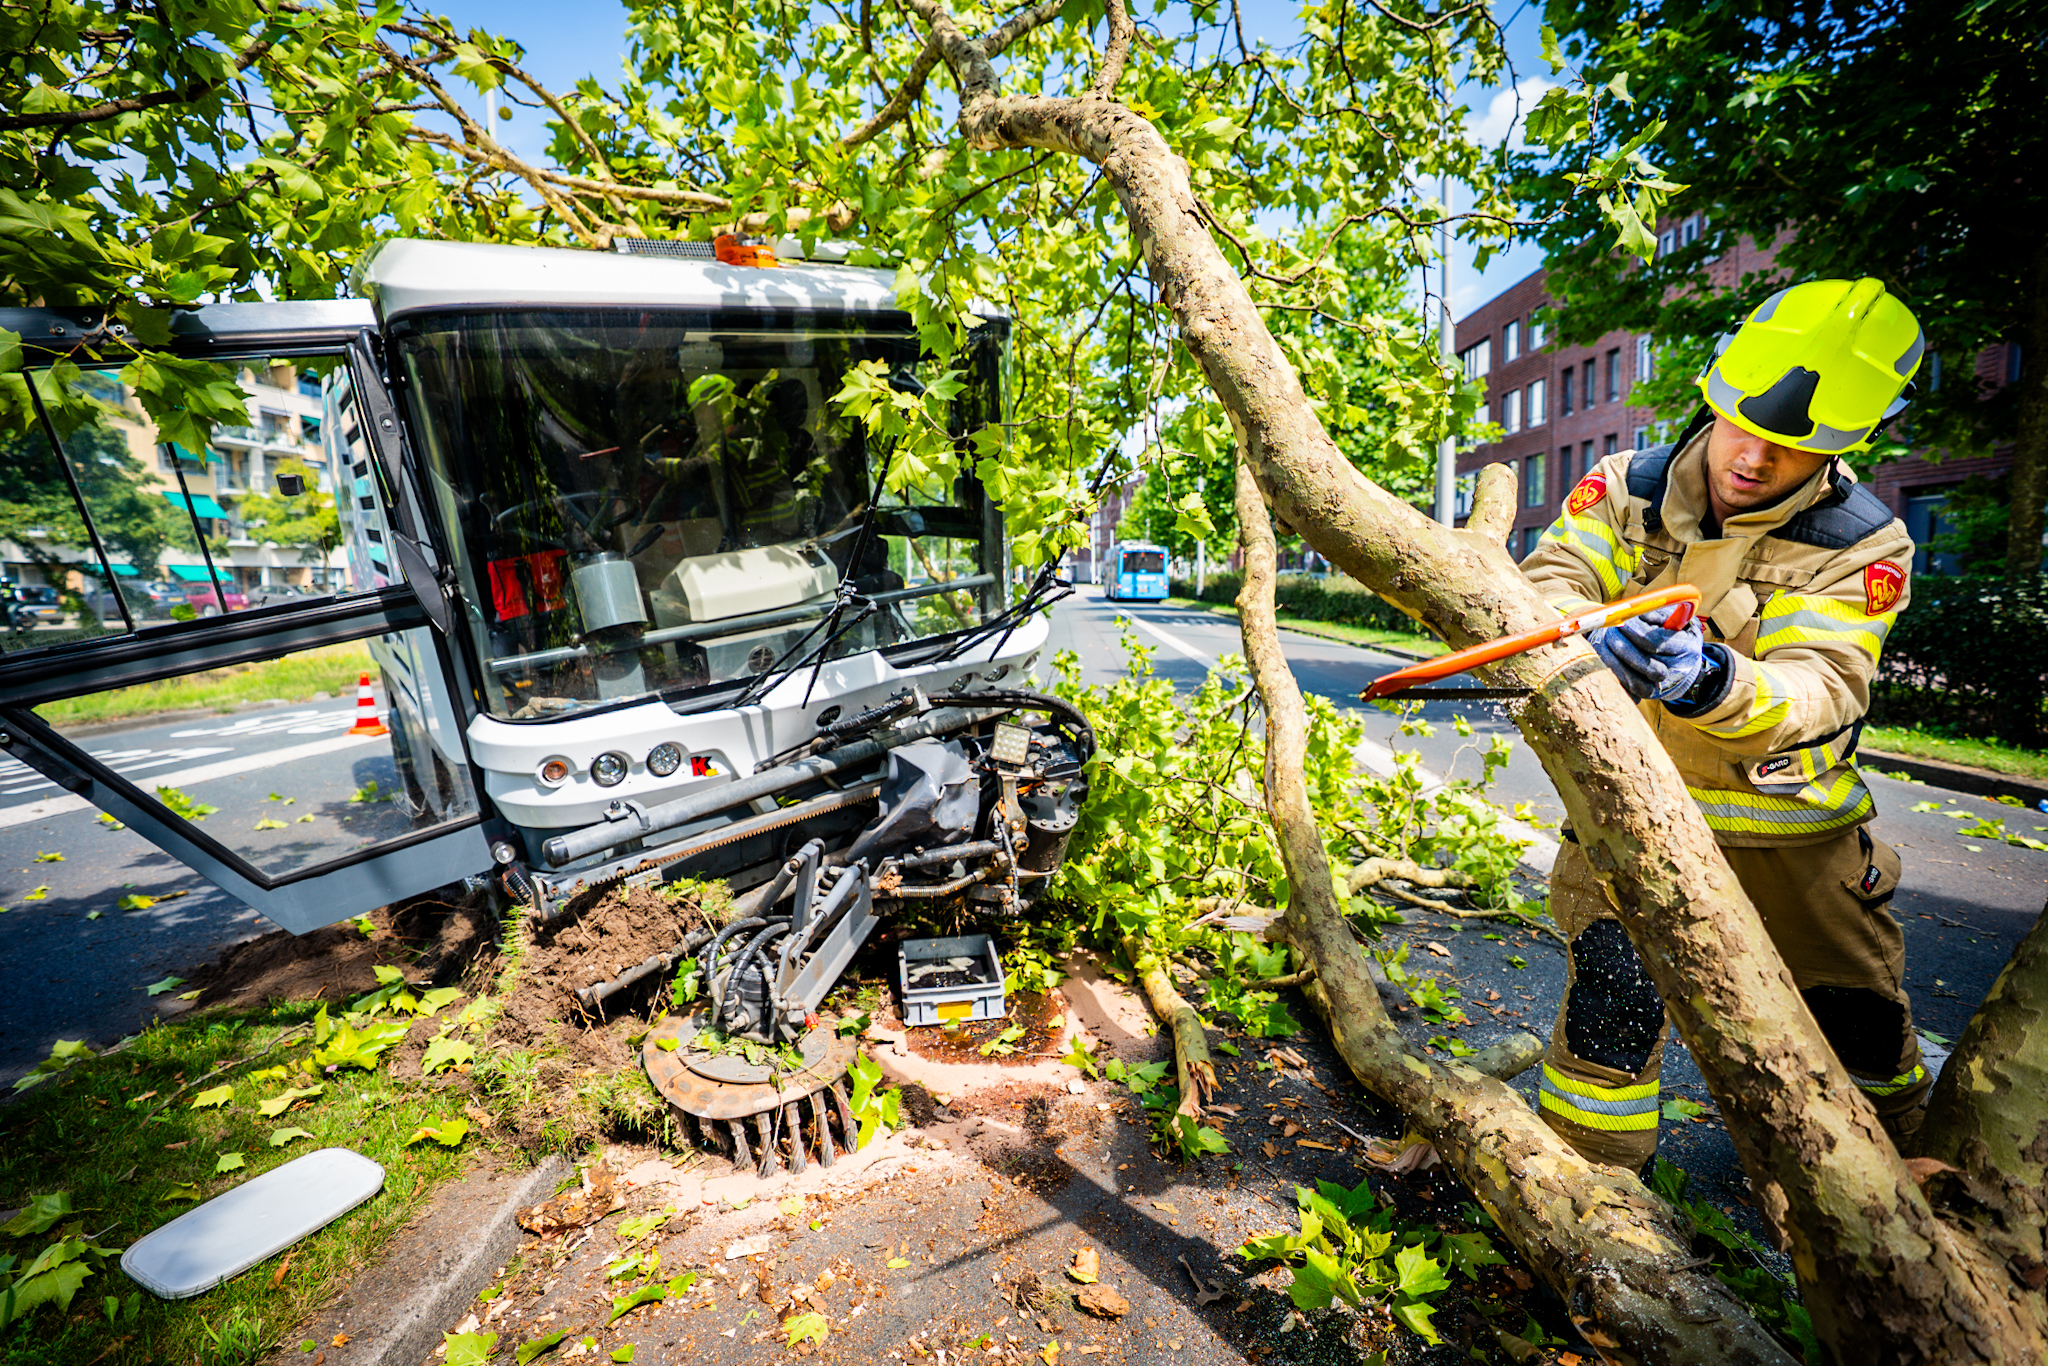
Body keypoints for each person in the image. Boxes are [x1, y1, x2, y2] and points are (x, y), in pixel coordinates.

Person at [1518, 277, 1929, 1169]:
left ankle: (1902, 1202)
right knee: (1611, 1012)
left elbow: (1823, 686)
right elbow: (1550, 582)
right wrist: (1588, 637)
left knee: (1857, 1030)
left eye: (1790, 449)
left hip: (1794, 842)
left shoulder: (1862, 542)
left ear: (1840, 448)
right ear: (1717, 390)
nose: (1753, 458)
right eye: (1746, 426)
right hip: (1629, 815)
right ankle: (1592, 1196)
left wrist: (1712, 682)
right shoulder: (1627, 486)